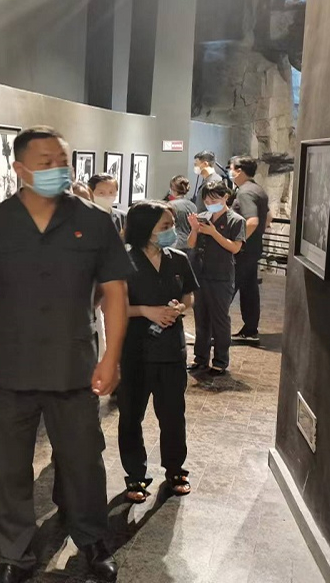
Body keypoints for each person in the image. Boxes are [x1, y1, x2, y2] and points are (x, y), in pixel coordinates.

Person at [0, 126, 132, 583]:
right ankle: (14, 554)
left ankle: (91, 539)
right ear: (19, 169)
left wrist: (111, 357)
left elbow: (115, 292)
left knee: (83, 461)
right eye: (46, 162)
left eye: (63, 161)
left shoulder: (95, 221)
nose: (59, 169)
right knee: (9, 468)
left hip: (73, 367)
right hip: (9, 369)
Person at [119, 201, 198, 503]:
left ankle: (176, 470)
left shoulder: (178, 259)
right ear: (145, 230)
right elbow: (113, 307)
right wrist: (146, 311)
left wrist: (180, 308)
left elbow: (189, 296)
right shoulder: (123, 262)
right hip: (135, 352)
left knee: (173, 415)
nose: (171, 231)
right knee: (131, 417)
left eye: (171, 225)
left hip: (171, 351)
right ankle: (135, 476)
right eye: (165, 227)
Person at [187, 181, 246, 376]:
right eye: (207, 200)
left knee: (220, 320)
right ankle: (200, 358)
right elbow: (191, 244)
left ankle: (220, 361)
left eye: (214, 199)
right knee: (201, 318)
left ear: (225, 197)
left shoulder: (236, 220)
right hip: (200, 274)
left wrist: (214, 233)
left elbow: (235, 248)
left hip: (221, 276)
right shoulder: (203, 217)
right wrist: (194, 229)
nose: (210, 203)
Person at [228, 156, 269, 344]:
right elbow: (269, 217)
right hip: (253, 249)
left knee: (227, 288)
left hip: (242, 252)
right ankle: (250, 330)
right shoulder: (257, 189)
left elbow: (252, 221)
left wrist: (237, 242)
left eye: (231, 168)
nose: (230, 172)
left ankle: (213, 330)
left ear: (239, 171)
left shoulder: (244, 192)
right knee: (249, 289)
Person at [166, 175, 197, 253]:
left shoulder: (170, 205)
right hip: (191, 244)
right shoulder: (193, 206)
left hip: (175, 245)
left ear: (172, 189)